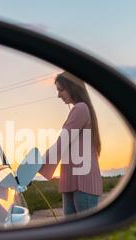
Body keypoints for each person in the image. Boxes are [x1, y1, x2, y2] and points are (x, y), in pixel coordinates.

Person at [39, 71, 102, 215]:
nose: (58, 95)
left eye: (61, 90)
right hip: (71, 181)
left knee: (85, 234)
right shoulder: (80, 109)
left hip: (83, 183)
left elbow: (63, 141)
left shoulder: (81, 108)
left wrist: (36, 164)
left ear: (72, 87)